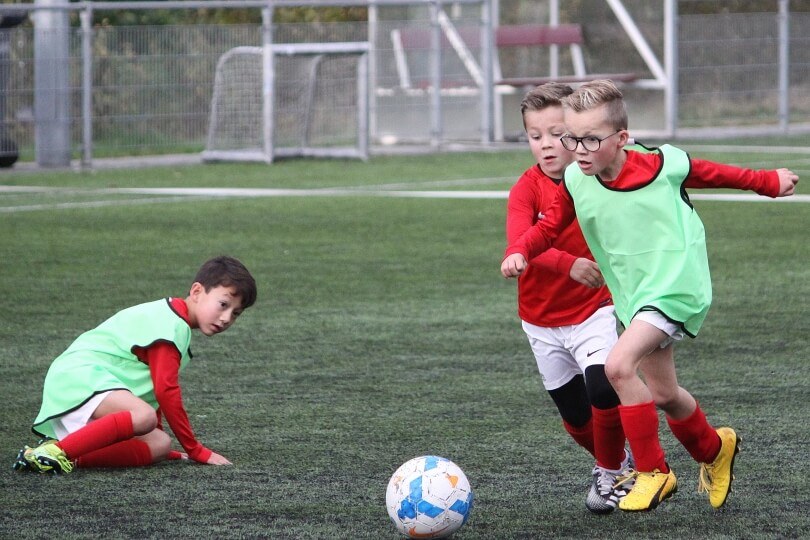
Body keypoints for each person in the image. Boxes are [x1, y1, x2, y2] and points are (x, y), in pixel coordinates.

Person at [501, 79, 799, 512]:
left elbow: (713, 173)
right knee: (664, 395)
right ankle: (715, 449)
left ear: (622, 139)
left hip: (676, 285)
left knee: (618, 367)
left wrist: (768, 181)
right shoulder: (575, 180)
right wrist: (519, 250)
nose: (578, 149)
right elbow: (547, 228)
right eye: (572, 138)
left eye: (590, 140)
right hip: (636, 295)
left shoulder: (660, 163)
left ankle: (653, 472)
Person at [507, 83, 632, 514]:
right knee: (577, 419)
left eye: (557, 133)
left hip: (593, 309)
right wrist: (567, 264)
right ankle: (614, 459)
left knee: (603, 383)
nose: (546, 145)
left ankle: (611, 472)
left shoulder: (596, 179)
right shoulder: (526, 188)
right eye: (534, 135)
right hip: (540, 320)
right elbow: (520, 241)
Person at [13, 255, 257, 474]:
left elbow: (153, 391)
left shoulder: (174, 321)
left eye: (236, 313)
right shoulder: (172, 326)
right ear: (196, 292)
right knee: (143, 416)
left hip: (87, 383)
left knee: (159, 444)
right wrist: (196, 450)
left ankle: (63, 454)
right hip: (78, 377)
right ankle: (56, 452)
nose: (226, 318)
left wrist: (167, 446)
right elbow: (166, 392)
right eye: (223, 304)